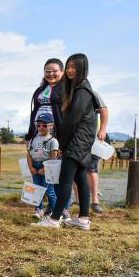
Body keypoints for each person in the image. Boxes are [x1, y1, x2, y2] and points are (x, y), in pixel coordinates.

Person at [35, 53, 99, 230]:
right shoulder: (80, 88)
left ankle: (54, 219)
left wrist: (62, 145)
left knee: (65, 180)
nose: (71, 70)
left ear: (83, 68)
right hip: (83, 140)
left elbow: (72, 120)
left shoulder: (82, 91)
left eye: (74, 67)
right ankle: (83, 219)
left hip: (77, 140)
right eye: (69, 66)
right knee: (80, 178)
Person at [25, 58, 72, 219]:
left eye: (54, 71)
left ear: (62, 71)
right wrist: (30, 134)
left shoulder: (67, 89)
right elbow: (33, 114)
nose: (51, 74)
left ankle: (63, 208)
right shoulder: (40, 90)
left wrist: (64, 138)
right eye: (47, 71)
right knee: (40, 175)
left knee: (57, 175)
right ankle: (45, 208)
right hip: (39, 134)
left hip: (57, 135)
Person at [26, 113, 59, 218]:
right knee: (36, 189)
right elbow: (29, 154)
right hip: (35, 166)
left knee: (49, 191)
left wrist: (45, 169)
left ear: (51, 126)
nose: (41, 127)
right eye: (38, 125)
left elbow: (53, 157)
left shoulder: (53, 141)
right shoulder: (33, 139)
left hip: (47, 167)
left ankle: (54, 212)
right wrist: (31, 167)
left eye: (44, 125)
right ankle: (38, 210)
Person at [87, 91, 109, 213]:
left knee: (92, 169)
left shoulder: (91, 93)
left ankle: (95, 201)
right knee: (75, 170)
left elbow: (104, 110)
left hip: (92, 140)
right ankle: (78, 200)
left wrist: (102, 130)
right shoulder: (67, 92)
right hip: (74, 140)